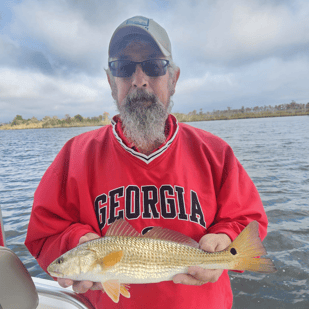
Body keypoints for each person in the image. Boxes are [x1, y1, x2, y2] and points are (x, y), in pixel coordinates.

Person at [25, 16, 268, 309]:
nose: (139, 80)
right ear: (111, 82)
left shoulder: (215, 152)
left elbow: (249, 219)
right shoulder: (74, 155)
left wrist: (225, 237)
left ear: (174, 79)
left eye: (154, 66)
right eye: (124, 68)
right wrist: (76, 242)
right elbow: (43, 233)